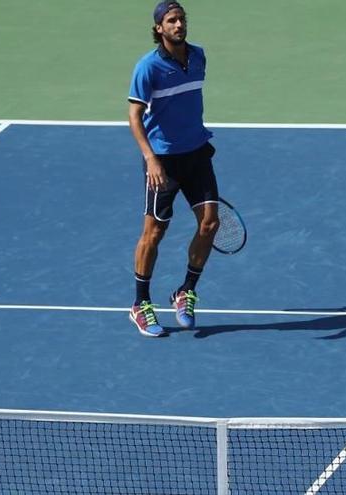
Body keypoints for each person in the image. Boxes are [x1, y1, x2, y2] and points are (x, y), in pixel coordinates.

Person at [128, 1, 220, 337]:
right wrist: (151, 159)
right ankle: (141, 304)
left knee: (210, 223)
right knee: (154, 233)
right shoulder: (147, 68)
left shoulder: (198, 57)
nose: (179, 25)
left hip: (197, 153)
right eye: (171, 20)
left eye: (181, 19)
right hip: (163, 162)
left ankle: (185, 291)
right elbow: (134, 117)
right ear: (158, 28)